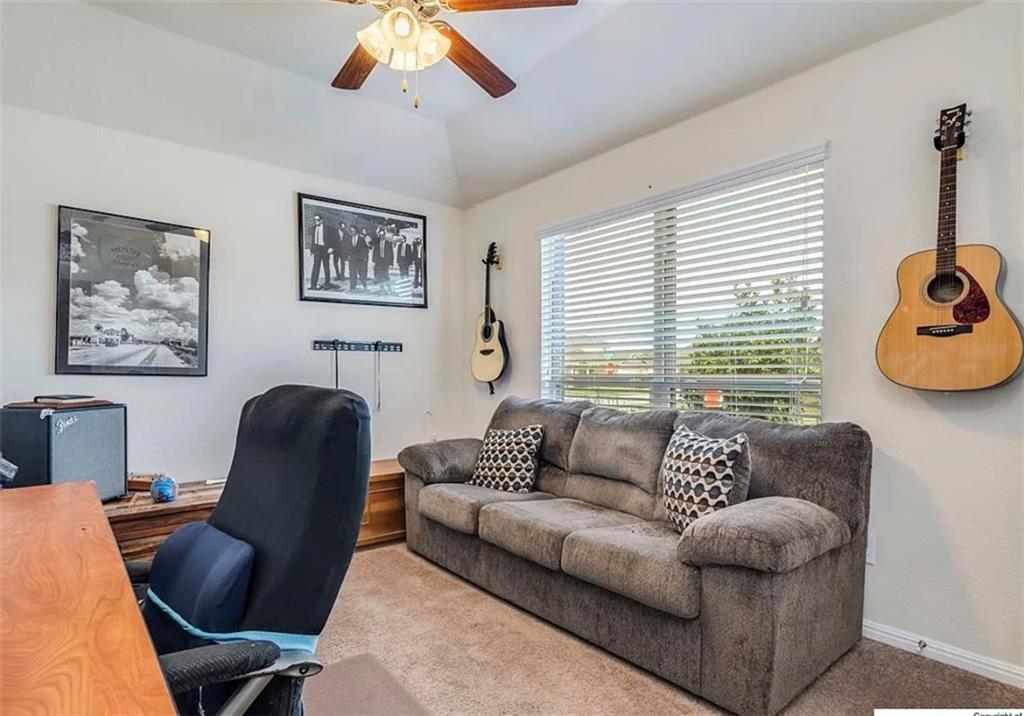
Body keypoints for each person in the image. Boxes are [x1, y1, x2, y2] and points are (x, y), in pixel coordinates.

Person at [307, 215, 332, 290]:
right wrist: (312, 250)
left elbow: (331, 239)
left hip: (325, 249)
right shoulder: (314, 228)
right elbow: (313, 240)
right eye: (314, 220)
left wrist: (331, 248)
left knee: (326, 267)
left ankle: (327, 284)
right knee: (315, 267)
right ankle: (313, 285)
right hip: (317, 249)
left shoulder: (327, 228)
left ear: (321, 220)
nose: (316, 221)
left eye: (317, 220)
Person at [372, 225, 394, 295]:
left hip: (386, 262)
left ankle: (389, 289)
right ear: (379, 235)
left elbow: (391, 254)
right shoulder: (377, 243)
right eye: (380, 235)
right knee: (380, 276)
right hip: (379, 262)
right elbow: (374, 252)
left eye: (382, 235)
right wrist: (373, 261)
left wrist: (391, 264)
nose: (381, 236)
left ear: (384, 235)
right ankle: (382, 290)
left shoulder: (388, 243)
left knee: (386, 276)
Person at [348, 227, 370, 291]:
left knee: (361, 273)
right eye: (351, 231)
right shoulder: (349, 238)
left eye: (354, 231)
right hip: (352, 259)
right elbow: (347, 248)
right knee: (352, 273)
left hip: (360, 259)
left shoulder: (361, 239)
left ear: (356, 231)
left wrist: (365, 257)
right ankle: (352, 287)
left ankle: (364, 285)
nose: (352, 233)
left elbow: (365, 249)